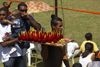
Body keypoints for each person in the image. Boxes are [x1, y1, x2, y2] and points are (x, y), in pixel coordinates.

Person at [7, 3, 42, 67]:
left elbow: (38, 28)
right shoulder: (12, 17)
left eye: (25, 11)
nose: (24, 12)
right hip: (13, 47)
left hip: (24, 47)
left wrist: (29, 19)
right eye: (22, 10)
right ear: (18, 10)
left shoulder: (28, 17)